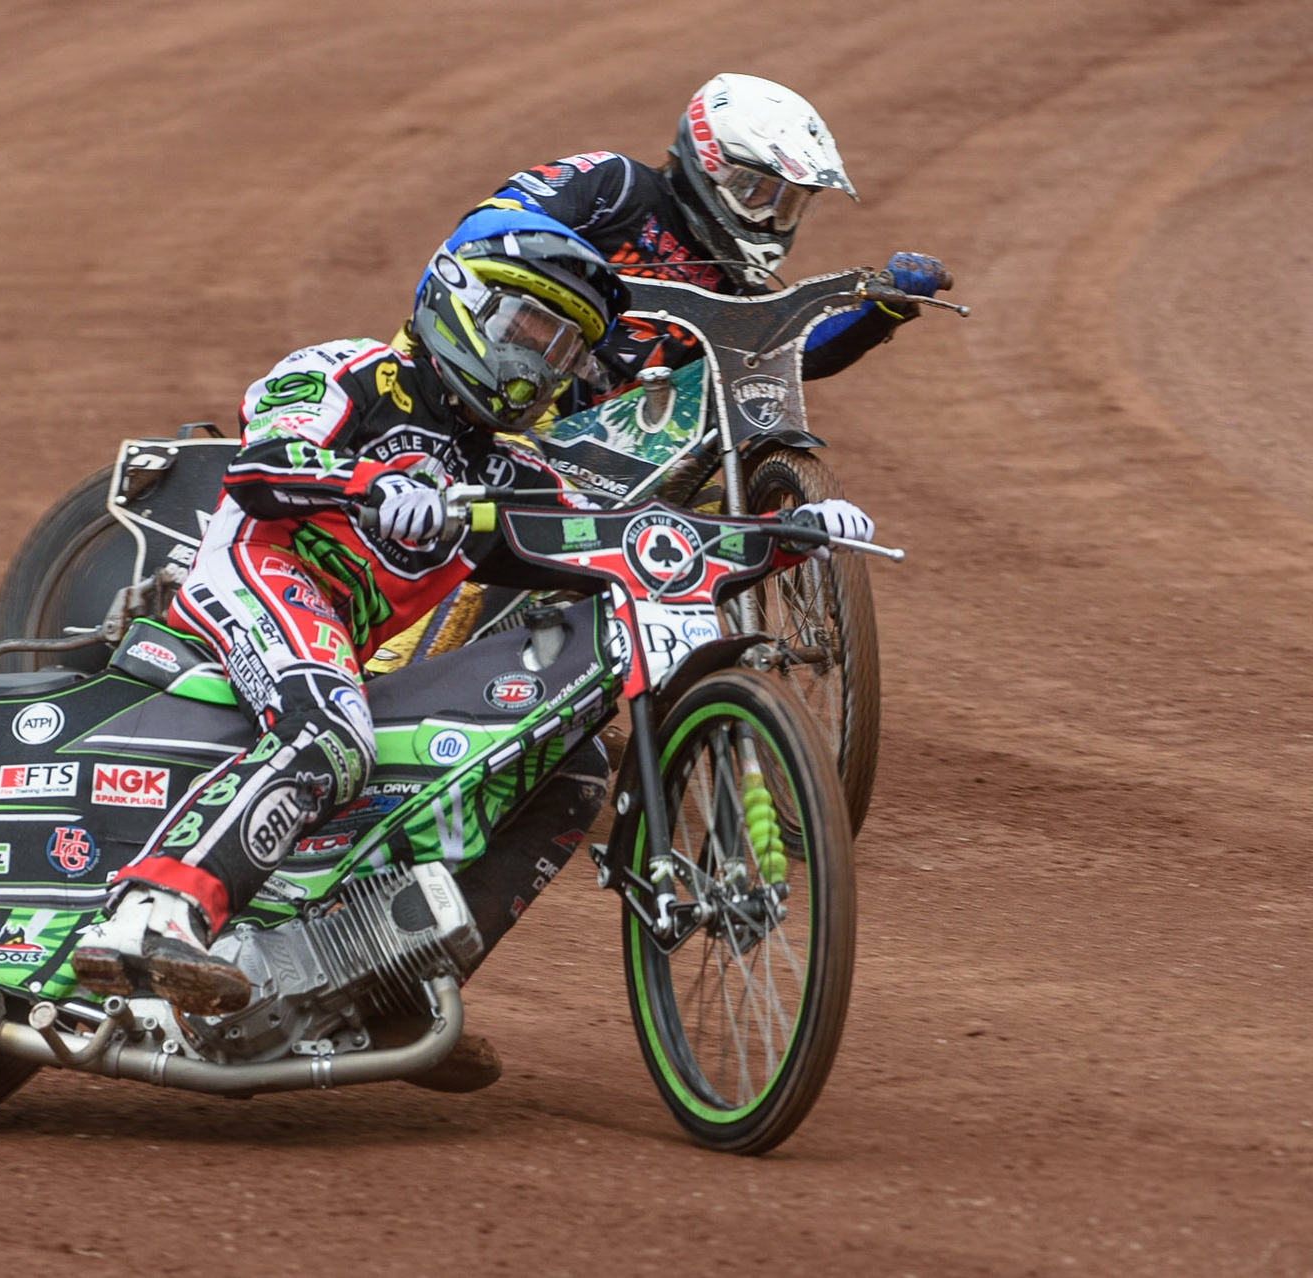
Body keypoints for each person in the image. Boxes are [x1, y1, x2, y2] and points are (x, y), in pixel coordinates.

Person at [71, 210, 875, 1025]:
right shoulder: (349, 371)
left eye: (562, 349)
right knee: (334, 733)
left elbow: (631, 540)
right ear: (459, 300)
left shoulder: (507, 469)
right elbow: (260, 467)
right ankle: (153, 915)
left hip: (340, 642)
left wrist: (785, 538)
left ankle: (387, 997)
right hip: (256, 573)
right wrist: (370, 485)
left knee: (571, 768)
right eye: (528, 328)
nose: (539, 363)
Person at [477, 72, 954, 395]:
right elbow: (501, 216)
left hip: (624, 458)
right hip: (505, 388)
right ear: (711, 164)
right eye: (757, 191)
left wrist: (880, 309)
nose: (769, 218)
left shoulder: (736, 285)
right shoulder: (615, 183)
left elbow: (795, 352)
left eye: (788, 204)